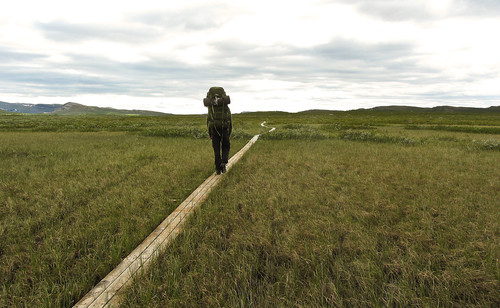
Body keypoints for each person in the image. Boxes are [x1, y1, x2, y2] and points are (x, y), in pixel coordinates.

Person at [204, 87, 232, 175]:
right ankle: (224, 162)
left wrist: (210, 133)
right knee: (226, 146)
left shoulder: (211, 107)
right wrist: (229, 132)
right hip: (224, 129)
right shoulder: (225, 106)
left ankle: (218, 169)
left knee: (216, 150)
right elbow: (229, 119)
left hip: (214, 130)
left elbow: (209, 120)